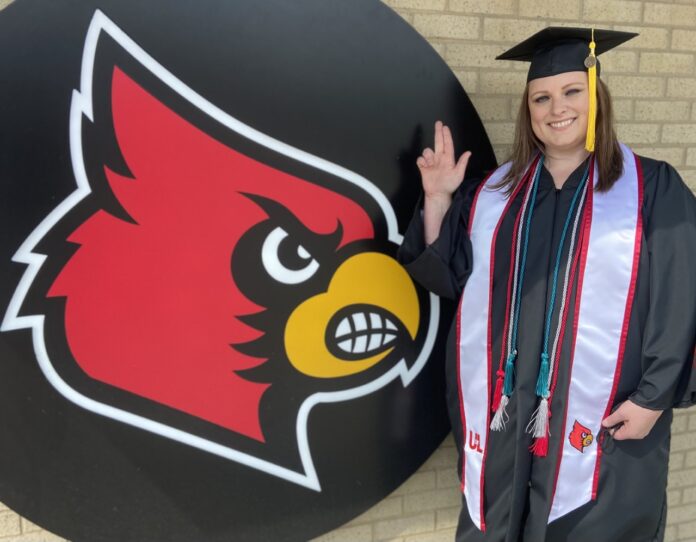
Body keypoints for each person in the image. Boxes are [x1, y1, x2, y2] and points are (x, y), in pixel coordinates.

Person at [397, 27, 696, 542]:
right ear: (528, 109)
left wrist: (653, 398)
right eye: (542, 97)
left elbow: (683, 298)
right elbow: (447, 278)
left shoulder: (652, 190)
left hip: (606, 428)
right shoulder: (494, 195)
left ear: (595, 95)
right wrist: (441, 199)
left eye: (571, 91)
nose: (556, 108)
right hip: (505, 426)